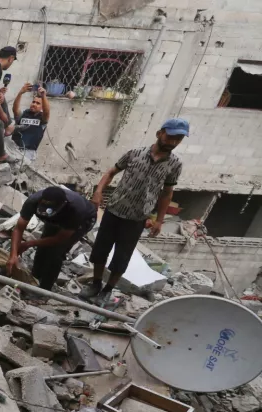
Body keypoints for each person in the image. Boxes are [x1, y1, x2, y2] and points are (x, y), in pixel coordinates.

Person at [81, 118, 189, 301]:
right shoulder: (135, 153)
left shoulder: (175, 164)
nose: (173, 142)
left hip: (137, 218)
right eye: (170, 137)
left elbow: (167, 193)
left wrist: (159, 220)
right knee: (100, 251)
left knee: (121, 258)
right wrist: (98, 192)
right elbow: (111, 172)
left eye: (178, 139)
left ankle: (107, 290)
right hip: (114, 210)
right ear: (159, 133)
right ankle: (96, 284)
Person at [9, 187, 97, 291]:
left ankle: (44, 290)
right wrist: (13, 255)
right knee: (42, 248)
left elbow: (60, 239)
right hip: (56, 218)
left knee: (56, 252)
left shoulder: (76, 210)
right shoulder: (33, 201)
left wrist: (29, 243)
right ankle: (34, 279)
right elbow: (19, 229)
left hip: (83, 220)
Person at [11, 82, 50, 163]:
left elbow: (47, 112)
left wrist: (43, 96)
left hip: (29, 153)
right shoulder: (24, 114)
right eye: (33, 102)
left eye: (38, 103)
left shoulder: (42, 118)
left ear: (42, 107)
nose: (34, 104)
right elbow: (15, 110)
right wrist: (20, 93)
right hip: (14, 149)